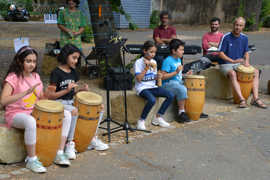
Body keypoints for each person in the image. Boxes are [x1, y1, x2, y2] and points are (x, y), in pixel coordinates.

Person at [0, 46, 73, 173]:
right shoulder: (13, 77)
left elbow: (41, 98)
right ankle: (32, 159)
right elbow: (3, 101)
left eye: (34, 61)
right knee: (31, 121)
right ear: (19, 61)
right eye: (28, 61)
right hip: (15, 114)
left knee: (66, 114)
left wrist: (48, 95)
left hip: (34, 111)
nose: (32, 64)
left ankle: (59, 152)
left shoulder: (36, 77)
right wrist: (24, 93)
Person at [47, 44, 109, 158]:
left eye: (77, 58)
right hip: (58, 103)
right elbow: (50, 96)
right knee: (74, 110)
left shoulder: (74, 72)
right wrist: (66, 90)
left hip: (70, 102)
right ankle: (70, 143)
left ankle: (92, 138)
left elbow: (73, 93)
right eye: (74, 58)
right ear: (66, 56)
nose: (76, 61)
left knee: (99, 108)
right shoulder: (56, 73)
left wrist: (81, 90)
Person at [219, 17, 267, 109]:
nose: (238, 27)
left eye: (240, 25)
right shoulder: (226, 37)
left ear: (243, 27)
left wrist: (247, 62)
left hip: (239, 64)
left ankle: (255, 99)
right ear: (233, 25)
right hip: (226, 64)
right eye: (236, 25)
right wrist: (232, 61)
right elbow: (220, 53)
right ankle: (242, 100)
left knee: (256, 72)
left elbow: (246, 52)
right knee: (233, 74)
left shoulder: (245, 38)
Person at [134, 40, 174, 130]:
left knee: (170, 95)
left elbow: (153, 77)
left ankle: (158, 117)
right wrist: (146, 67)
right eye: (151, 52)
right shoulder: (138, 62)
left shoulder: (154, 62)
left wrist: (158, 76)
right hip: (142, 88)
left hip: (152, 87)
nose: (153, 54)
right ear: (144, 51)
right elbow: (139, 79)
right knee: (152, 100)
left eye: (154, 52)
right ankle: (141, 121)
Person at [160, 39, 192, 123]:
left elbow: (178, 76)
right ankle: (181, 113)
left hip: (177, 82)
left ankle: (193, 110)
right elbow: (162, 77)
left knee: (192, 86)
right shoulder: (168, 60)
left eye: (183, 49)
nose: (183, 52)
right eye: (181, 50)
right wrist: (176, 72)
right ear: (174, 51)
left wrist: (185, 75)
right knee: (181, 88)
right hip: (167, 84)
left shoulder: (178, 59)